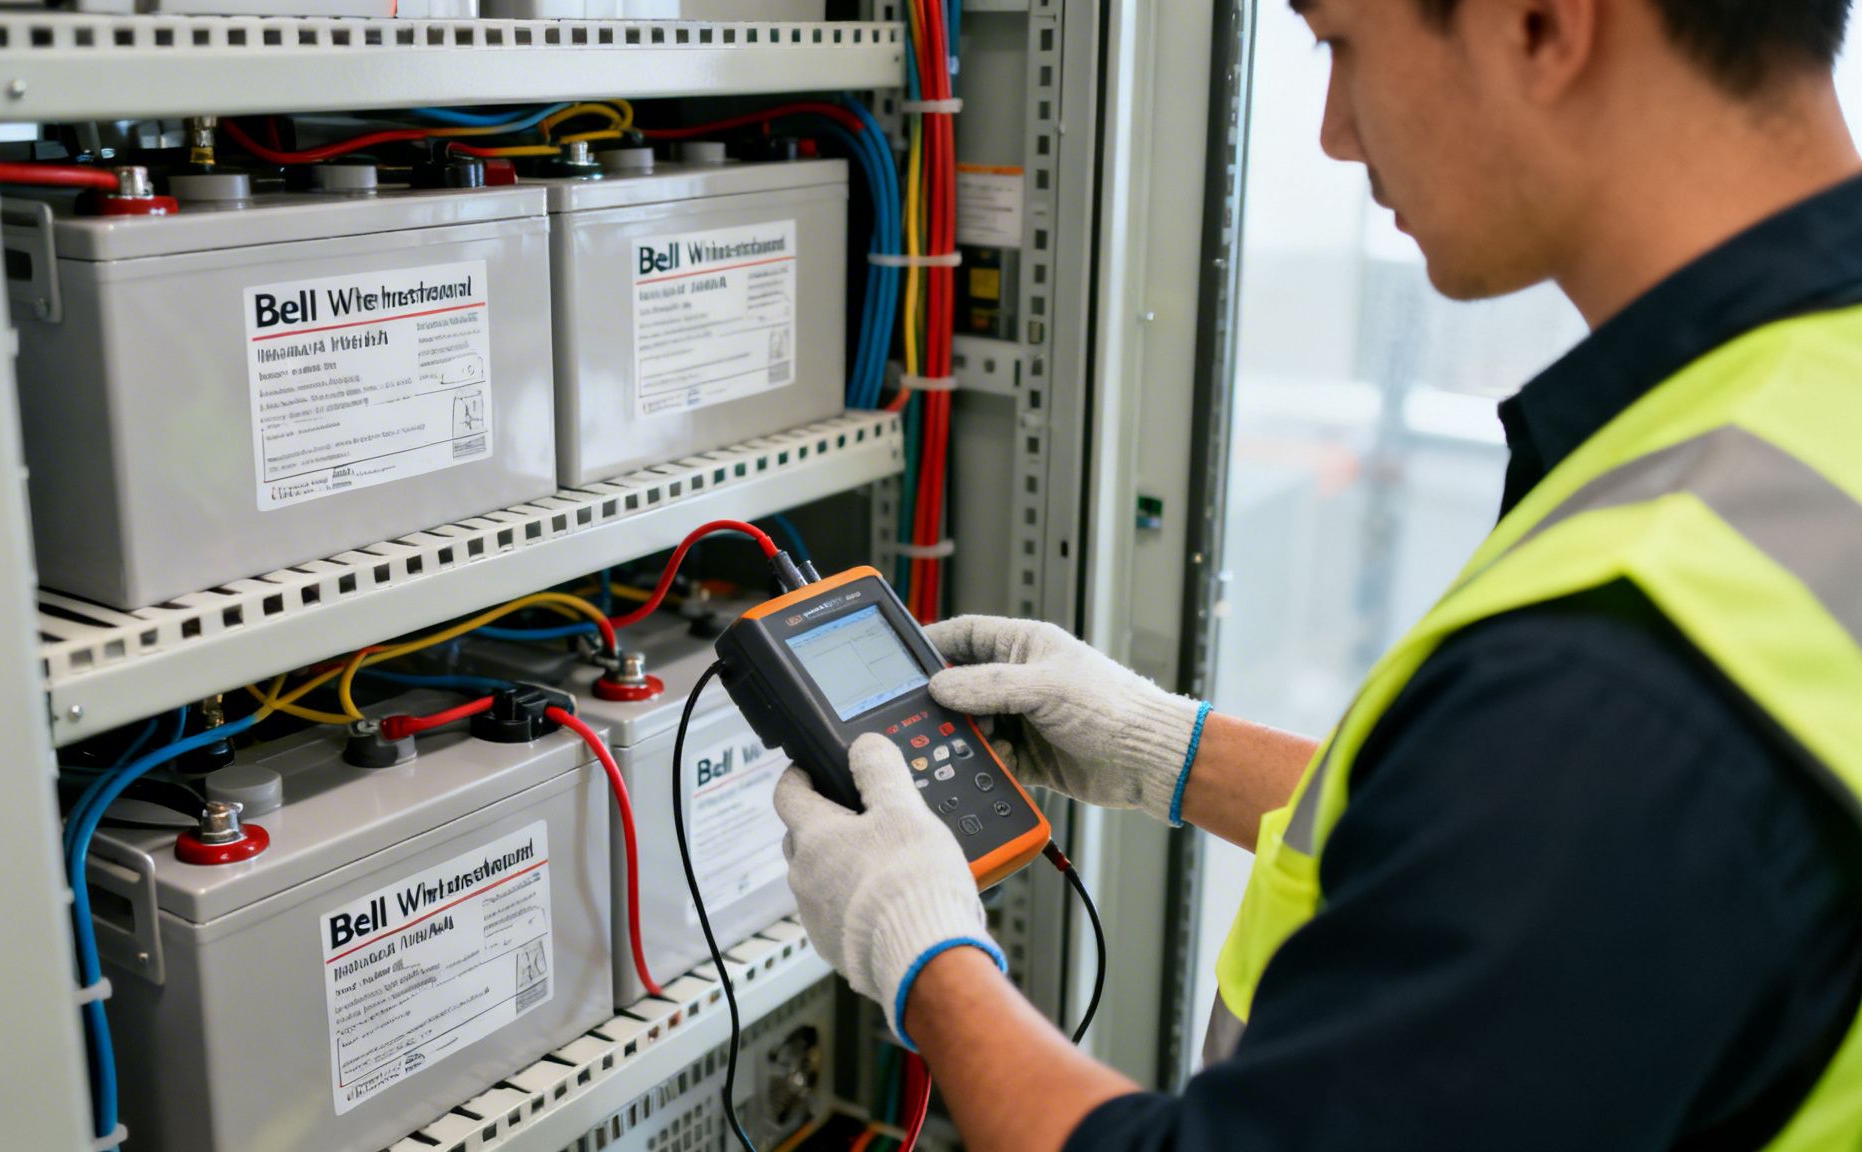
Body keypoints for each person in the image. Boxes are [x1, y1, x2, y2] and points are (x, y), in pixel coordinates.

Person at [771, 0, 1862, 1148]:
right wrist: (1170, 749)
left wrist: (926, 957)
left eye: (1340, 42)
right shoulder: (1791, 407)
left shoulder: (1622, 664)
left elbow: (1581, 784)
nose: (1336, 132)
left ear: (1541, 23)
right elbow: (1552, 860)